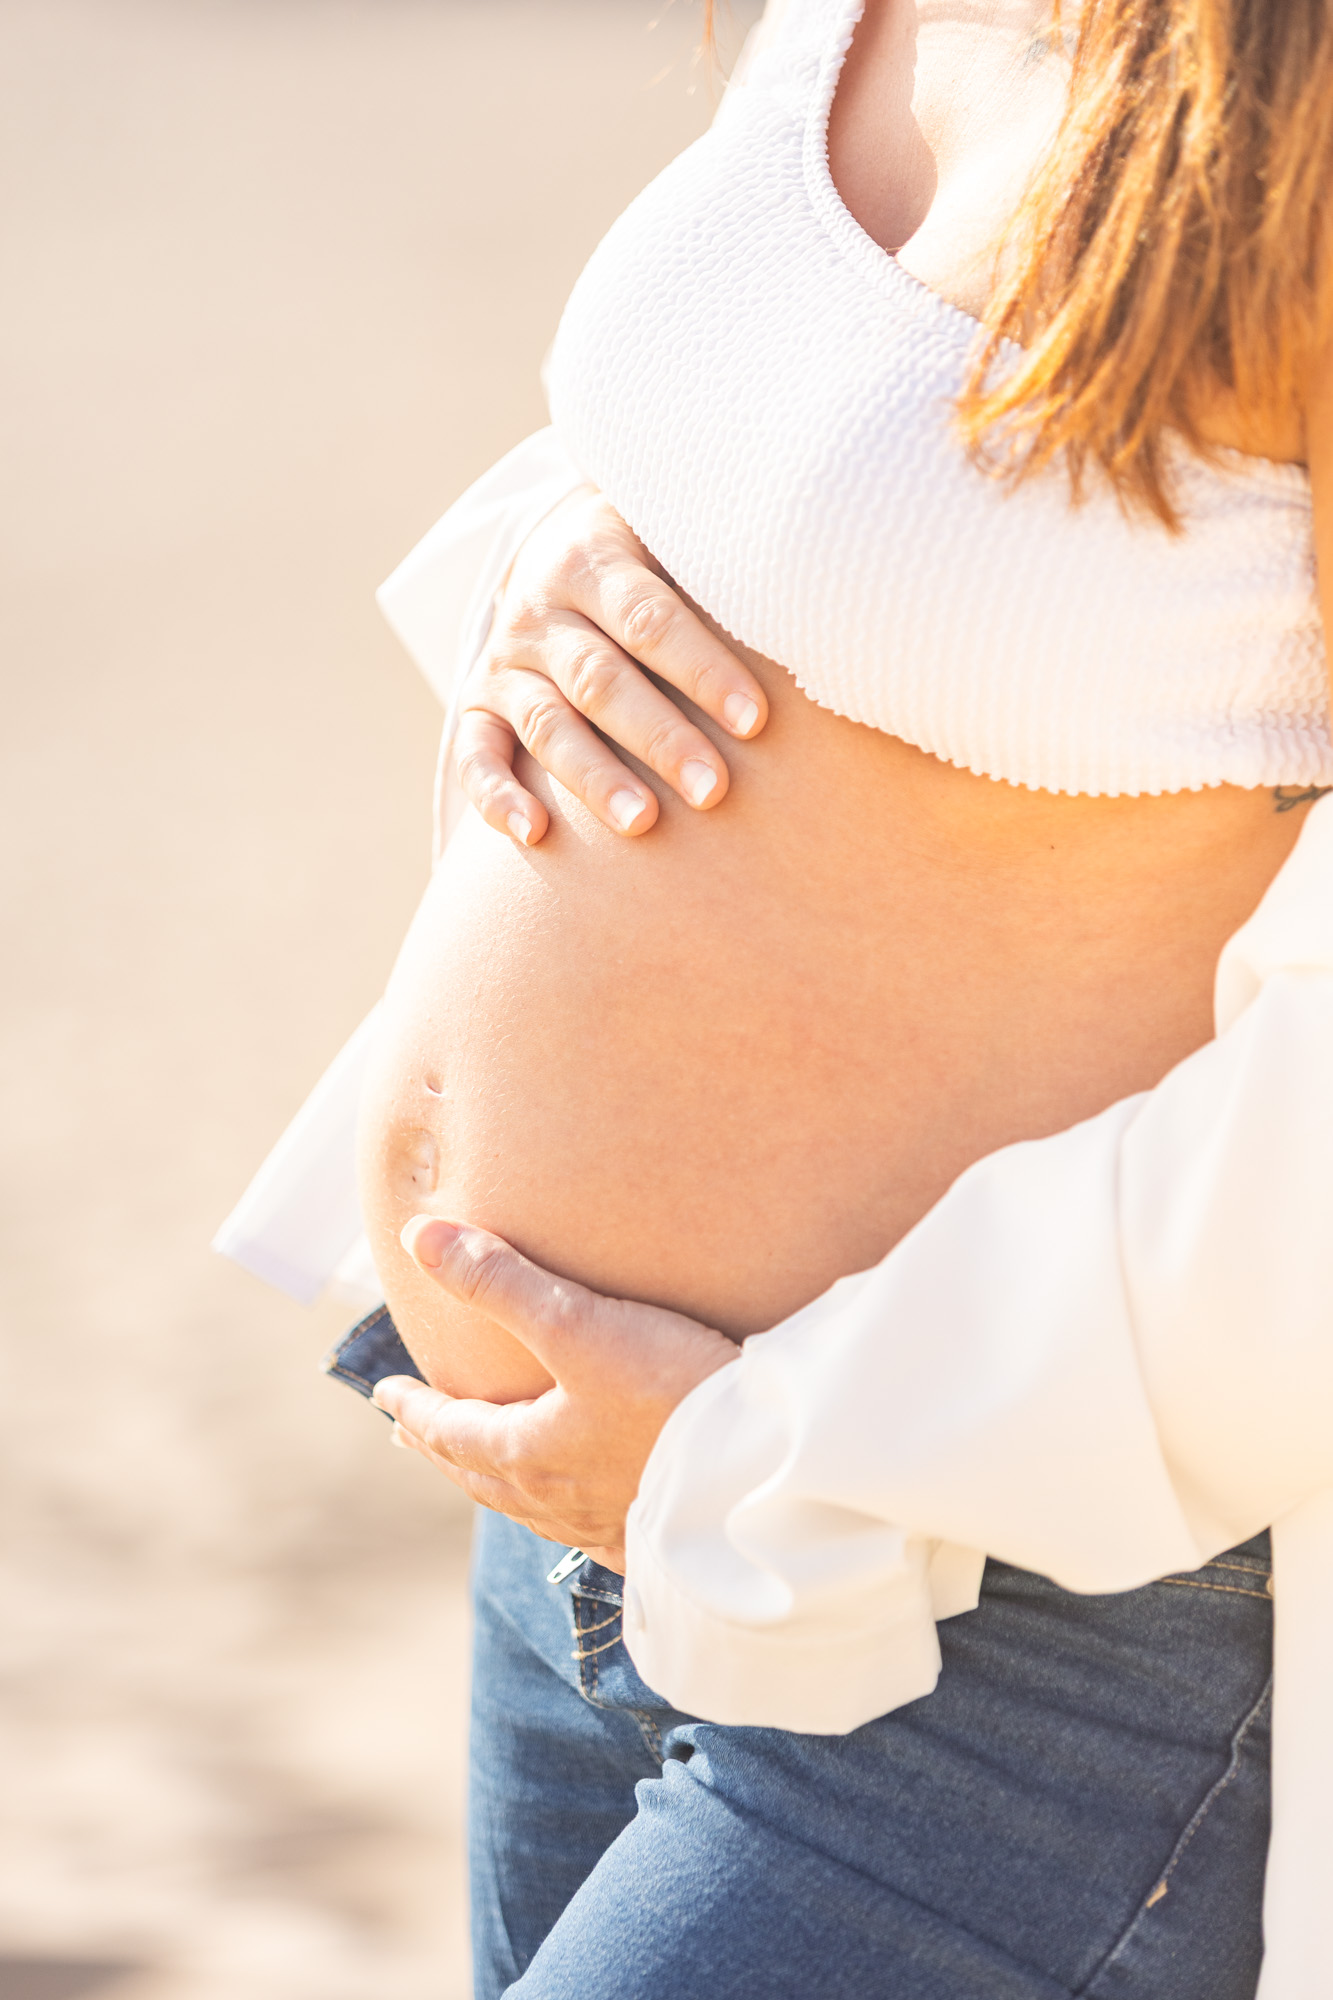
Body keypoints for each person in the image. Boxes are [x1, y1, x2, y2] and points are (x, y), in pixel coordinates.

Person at [218, 1, 1333, 1995]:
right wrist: (541, 555)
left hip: (993, 1661)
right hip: (577, 1542)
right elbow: (825, 463)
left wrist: (777, 1450)